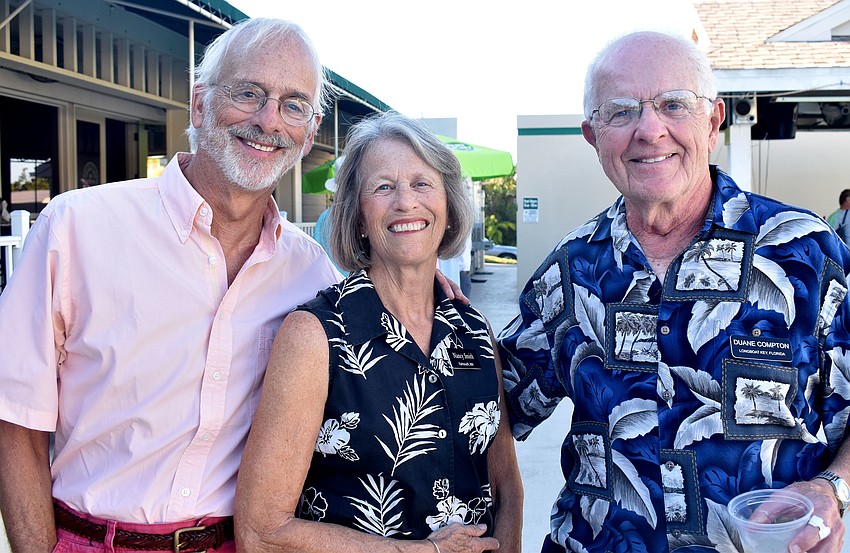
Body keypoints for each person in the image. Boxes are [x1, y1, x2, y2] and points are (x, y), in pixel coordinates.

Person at [498, 31, 850, 553]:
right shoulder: (569, 273)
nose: (649, 130)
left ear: (713, 122)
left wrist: (832, 488)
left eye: (674, 104)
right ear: (592, 137)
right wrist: (416, 294)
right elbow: (489, 407)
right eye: (621, 111)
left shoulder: (805, 254)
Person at [0, 18, 342, 553]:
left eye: (293, 105)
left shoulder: (312, 273)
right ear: (200, 104)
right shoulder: (77, 229)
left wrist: (421, 281)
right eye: (248, 93)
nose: (268, 120)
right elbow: (15, 419)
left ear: (310, 132)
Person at [235, 112, 523, 553]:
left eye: (422, 184)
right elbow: (261, 532)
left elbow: (506, 490)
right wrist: (425, 552)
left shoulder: (474, 331)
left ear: (449, 206)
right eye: (383, 187)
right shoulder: (314, 336)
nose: (406, 202)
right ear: (357, 216)